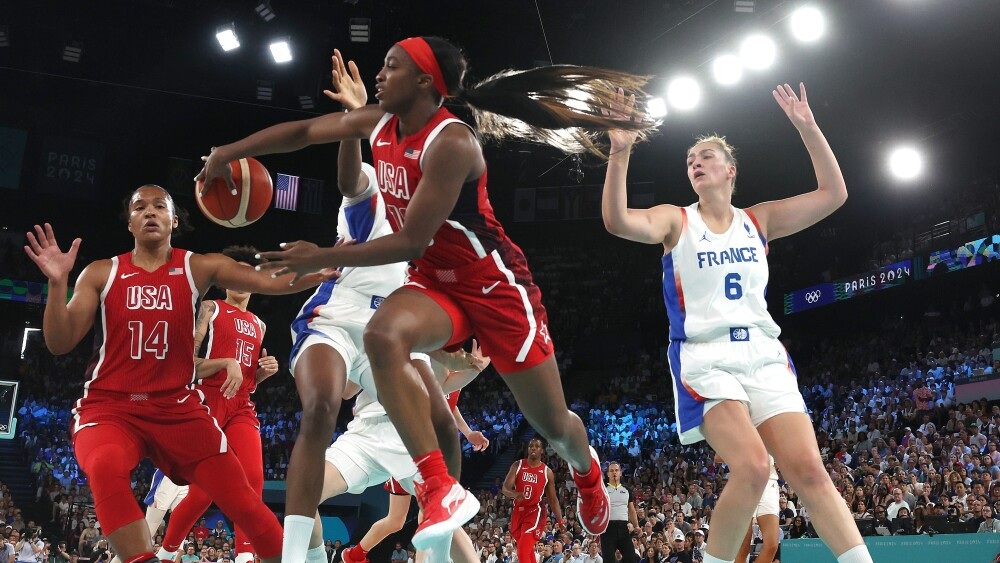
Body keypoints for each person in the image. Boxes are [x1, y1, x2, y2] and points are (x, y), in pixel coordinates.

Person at [201, 39, 653, 554]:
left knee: (552, 426)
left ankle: (587, 471)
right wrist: (227, 152)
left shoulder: (452, 143)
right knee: (382, 335)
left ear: (424, 82)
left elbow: (411, 239)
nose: (379, 74)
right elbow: (304, 132)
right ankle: (438, 486)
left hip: (492, 286)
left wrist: (320, 255)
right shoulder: (378, 125)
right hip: (436, 284)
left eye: (392, 66)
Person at [601, 83, 871, 563]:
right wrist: (620, 154)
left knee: (809, 470)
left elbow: (835, 194)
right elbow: (618, 221)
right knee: (752, 467)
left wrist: (808, 128)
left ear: (731, 170)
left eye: (705, 156)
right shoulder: (675, 221)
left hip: (764, 354)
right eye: (690, 160)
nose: (695, 163)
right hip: (706, 357)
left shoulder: (759, 219)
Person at [22, 187, 331, 563]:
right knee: (105, 466)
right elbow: (58, 342)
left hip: (179, 408)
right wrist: (57, 283)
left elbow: (273, 282)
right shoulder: (102, 272)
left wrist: (328, 266)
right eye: (140, 207)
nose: (150, 212)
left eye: (159, 207)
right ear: (131, 222)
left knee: (245, 500)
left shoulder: (198, 266)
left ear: (174, 220)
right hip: (111, 407)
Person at [160, 245, 280, 563]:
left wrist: (263, 373)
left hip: (240, 405)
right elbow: (188, 365)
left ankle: (244, 554)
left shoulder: (260, 324)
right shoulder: (211, 309)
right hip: (206, 400)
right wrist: (226, 361)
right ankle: (166, 551)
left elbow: (245, 381)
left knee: (253, 478)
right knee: (204, 491)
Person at [502, 438, 564, 563]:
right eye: (531, 446)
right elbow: (505, 488)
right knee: (527, 551)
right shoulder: (518, 465)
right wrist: (514, 493)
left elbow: (553, 499)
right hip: (518, 512)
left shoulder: (547, 472)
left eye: (536, 446)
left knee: (522, 551)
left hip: (535, 512)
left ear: (542, 450)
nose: (533, 448)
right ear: (528, 449)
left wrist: (560, 520)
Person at [734, 456, 779, 563]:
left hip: (769, 484)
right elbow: (718, 457)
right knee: (743, 546)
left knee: (772, 545)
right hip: (745, 483)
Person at [601, 462, 638, 563]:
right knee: (608, 560)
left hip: (623, 528)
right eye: (611, 470)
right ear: (607, 473)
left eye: (616, 470)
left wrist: (637, 526)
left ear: (620, 473)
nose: (614, 473)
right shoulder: (602, 490)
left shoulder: (627, 490)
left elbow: (631, 510)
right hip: (607, 529)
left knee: (631, 558)